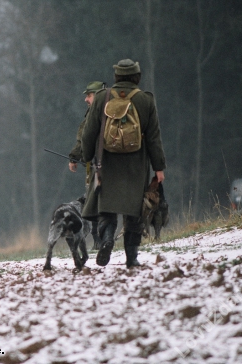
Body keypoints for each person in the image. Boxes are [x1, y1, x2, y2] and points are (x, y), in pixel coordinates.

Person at [81, 59, 166, 268]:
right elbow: (154, 137)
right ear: (137, 76)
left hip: (106, 162)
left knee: (106, 209)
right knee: (134, 212)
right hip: (136, 165)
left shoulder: (101, 97)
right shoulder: (145, 100)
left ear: (116, 76)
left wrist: (87, 156)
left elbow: (89, 132)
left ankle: (108, 238)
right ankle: (132, 257)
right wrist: (159, 167)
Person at [68, 81, 105, 250]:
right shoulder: (113, 110)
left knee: (93, 201)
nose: (85, 99)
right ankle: (109, 237)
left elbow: (83, 138)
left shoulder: (93, 113)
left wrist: (74, 157)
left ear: (96, 95)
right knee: (108, 202)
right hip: (116, 165)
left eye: (89, 95)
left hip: (95, 164)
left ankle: (99, 240)